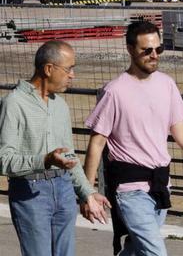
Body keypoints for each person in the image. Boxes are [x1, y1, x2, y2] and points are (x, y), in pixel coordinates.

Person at [83, 21, 183, 256]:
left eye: (158, 50)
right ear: (130, 49)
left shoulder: (167, 84)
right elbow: (96, 143)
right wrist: (88, 192)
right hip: (130, 188)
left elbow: (180, 132)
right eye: (146, 50)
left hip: (160, 184)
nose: (153, 55)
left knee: (136, 250)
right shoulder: (114, 91)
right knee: (155, 252)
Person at [0, 40, 111, 256]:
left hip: (64, 190)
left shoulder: (60, 106)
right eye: (69, 69)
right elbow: (4, 160)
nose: (72, 75)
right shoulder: (13, 104)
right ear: (49, 69)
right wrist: (45, 160)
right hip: (30, 192)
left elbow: (70, 157)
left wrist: (88, 193)